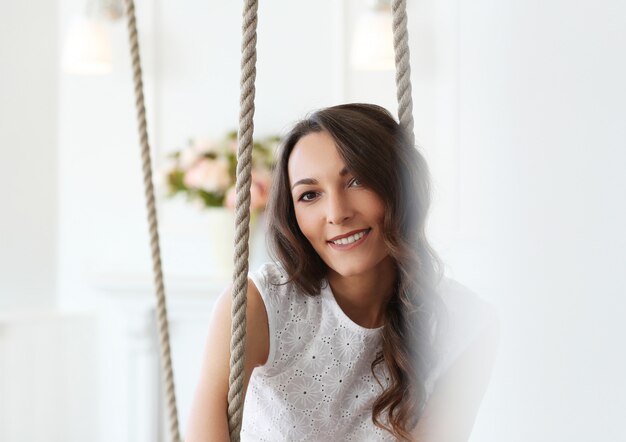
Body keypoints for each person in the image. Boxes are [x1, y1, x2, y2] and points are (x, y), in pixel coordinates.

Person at [186, 103, 499, 441]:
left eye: (356, 181)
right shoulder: (258, 304)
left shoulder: (468, 322)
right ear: (292, 215)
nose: (336, 213)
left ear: (400, 185)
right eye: (309, 195)